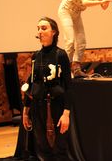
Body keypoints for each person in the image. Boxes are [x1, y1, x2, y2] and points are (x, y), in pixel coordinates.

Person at [22, 17, 72, 160]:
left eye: (44, 28)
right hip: (38, 108)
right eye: (38, 28)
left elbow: (68, 87)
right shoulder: (36, 56)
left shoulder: (60, 55)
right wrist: (26, 112)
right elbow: (31, 84)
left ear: (54, 32)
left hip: (57, 107)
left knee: (59, 148)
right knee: (43, 148)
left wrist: (66, 115)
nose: (40, 31)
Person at [58, 0, 112, 77]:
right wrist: (103, 0)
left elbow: (103, 7)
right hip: (66, 11)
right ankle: (64, 70)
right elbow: (85, 2)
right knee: (70, 41)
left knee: (81, 40)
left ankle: (76, 68)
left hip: (76, 13)